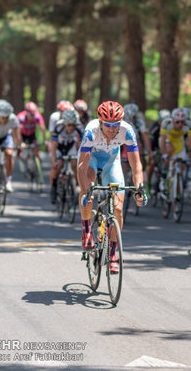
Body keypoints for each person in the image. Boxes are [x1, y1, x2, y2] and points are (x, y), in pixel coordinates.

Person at [78, 101, 145, 273]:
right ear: (100, 122)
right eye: (107, 125)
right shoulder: (91, 131)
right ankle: (86, 231)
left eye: (116, 125)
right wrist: (86, 191)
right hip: (91, 159)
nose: (112, 129)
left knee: (118, 208)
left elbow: (135, 164)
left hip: (111, 161)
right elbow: (82, 168)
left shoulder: (127, 131)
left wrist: (140, 189)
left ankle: (113, 254)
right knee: (90, 182)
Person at [159, 108, 191, 198]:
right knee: (169, 153)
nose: (180, 124)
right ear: (173, 120)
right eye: (177, 122)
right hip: (168, 141)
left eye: (182, 122)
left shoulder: (188, 125)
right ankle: (164, 177)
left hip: (179, 144)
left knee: (181, 169)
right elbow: (162, 140)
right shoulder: (166, 123)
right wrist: (164, 154)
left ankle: (177, 194)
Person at [49, 109, 84, 204]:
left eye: (73, 125)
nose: (71, 127)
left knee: (74, 164)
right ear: (64, 123)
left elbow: (82, 145)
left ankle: (76, 187)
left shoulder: (79, 127)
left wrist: (80, 159)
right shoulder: (58, 126)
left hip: (70, 146)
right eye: (69, 125)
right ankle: (54, 187)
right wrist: (54, 162)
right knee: (58, 165)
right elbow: (53, 147)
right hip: (59, 147)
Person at [145, 109, 170, 195]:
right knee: (151, 162)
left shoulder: (169, 126)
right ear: (159, 121)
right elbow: (150, 140)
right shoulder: (154, 126)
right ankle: (147, 184)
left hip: (164, 147)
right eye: (161, 122)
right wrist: (151, 152)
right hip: (154, 146)